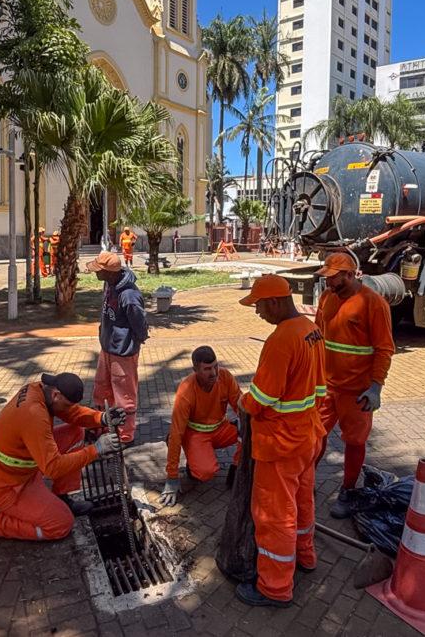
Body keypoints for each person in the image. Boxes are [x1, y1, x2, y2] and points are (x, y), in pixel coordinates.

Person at [235, 274, 326, 608]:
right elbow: (320, 388)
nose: (258, 313)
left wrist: (242, 402)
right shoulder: (311, 330)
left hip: (280, 444)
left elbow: (261, 399)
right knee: (302, 503)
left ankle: (274, 586)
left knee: (274, 516)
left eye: (259, 306)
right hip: (308, 436)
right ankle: (305, 555)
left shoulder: (281, 340)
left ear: (274, 302)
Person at [0, 372, 126, 541]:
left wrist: (101, 418)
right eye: (66, 405)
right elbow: (53, 467)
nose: (68, 409)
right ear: (56, 395)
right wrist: (96, 449)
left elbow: (72, 413)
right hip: (6, 486)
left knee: (75, 433)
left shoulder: (40, 391)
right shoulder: (33, 414)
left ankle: (62, 497)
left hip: (20, 470)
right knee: (61, 524)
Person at [313, 252, 394, 519]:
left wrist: (376, 388)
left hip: (357, 391)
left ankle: (348, 491)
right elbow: (318, 334)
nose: (328, 283)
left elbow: (384, 349)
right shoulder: (327, 297)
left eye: (333, 278)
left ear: (350, 275)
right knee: (314, 435)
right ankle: (306, 480)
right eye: (326, 278)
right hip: (326, 386)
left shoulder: (374, 304)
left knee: (355, 441)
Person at [160, 346, 242, 506]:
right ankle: (192, 458)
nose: (214, 373)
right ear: (195, 370)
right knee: (206, 472)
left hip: (221, 428)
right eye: (207, 369)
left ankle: (236, 468)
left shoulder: (225, 376)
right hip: (195, 433)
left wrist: (245, 422)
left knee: (252, 428)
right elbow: (176, 432)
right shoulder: (186, 390)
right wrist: (172, 477)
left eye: (215, 366)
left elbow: (241, 406)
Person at [86, 251, 148, 445]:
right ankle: (102, 426)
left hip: (122, 353)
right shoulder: (109, 285)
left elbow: (139, 323)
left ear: (110, 272)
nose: (96, 273)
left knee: (124, 394)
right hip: (107, 348)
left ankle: (124, 435)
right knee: (102, 389)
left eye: (100, 270)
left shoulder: (129, 295)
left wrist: (136, 340)